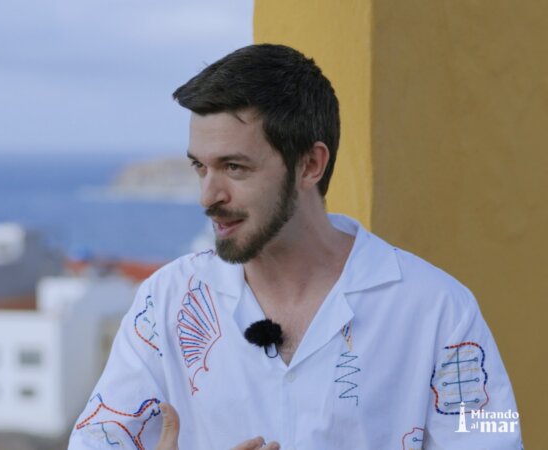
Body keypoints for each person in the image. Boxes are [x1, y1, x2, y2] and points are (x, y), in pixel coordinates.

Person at [67, 44, 522, 449]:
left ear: (310, 165)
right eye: (200, 167)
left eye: (234, 167)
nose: (208, 196)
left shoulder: (441, 310)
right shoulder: (164, 301)